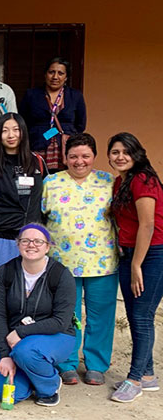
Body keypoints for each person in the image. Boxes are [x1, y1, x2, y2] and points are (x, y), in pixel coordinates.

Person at [41, 133, 118, 386]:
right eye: (73, 156)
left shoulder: (109, 182)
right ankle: (67, 362)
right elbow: (40, 220)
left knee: (100, 316)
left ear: (94, 157)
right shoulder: (51, 182)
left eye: (85, 156)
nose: (79, 161)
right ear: (65, 158)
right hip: (62, 264)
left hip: (102, 262)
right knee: (66, 316)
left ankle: (96, 364)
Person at [0, 224, 76, 407]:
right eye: (25, 240)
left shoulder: (61, 275)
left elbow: (61, 321)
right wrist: (5, 355)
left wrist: (21, 333)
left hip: (55, 336)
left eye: (38, 241)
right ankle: (31, 375)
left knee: (26, 352)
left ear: (47, 246)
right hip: (13, 342)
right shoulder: (5, 272)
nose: (31, 245)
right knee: (9, 394)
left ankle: (49, 386)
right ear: (18, 244)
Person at [107, 132, 163, 403]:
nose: (120, 157)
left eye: (125, 152)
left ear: (137, 153)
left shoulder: (143, 180)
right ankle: (148, 375)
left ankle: (134, 379)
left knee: (142, 316)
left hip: (152, 254)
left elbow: (148, 224)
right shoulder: (121, 182)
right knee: (134, 315)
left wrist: (137, 265)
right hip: (130, 254)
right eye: (115, 152)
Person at [0, 113, 46, 278]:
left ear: (23, 132)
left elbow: (46, 202)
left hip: (33, 239)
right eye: (5, 130)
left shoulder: (37, 162)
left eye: (16, 130)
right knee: (0, 289)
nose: (11, 135)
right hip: (1, 239)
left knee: (30, 291)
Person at [19, 57, 87, 171]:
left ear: (66, 77)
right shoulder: (31, 95)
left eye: (60, 73)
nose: (55, 77)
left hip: (66, 150)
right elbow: (22, 122)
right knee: (38, 181)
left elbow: (81, 125)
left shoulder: (75, 96)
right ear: (45, 74)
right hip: (37, 147)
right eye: (51, 72)